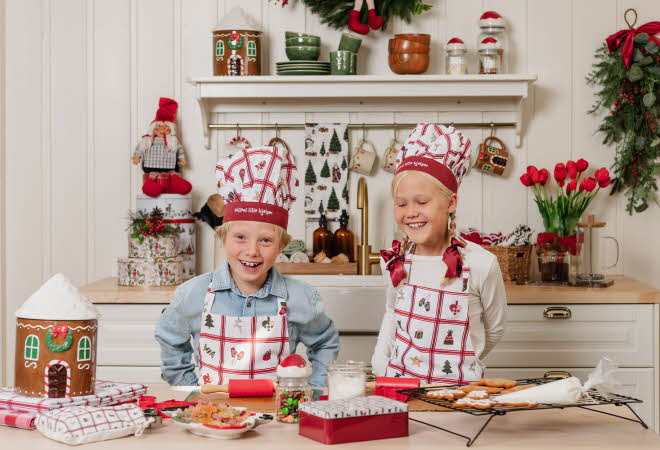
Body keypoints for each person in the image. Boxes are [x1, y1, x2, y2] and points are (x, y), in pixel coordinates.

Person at [156, 145, 340, 387]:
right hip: (213, 417)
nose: (252, 251)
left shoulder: (299, 297)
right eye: (240, 237)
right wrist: (189, 387)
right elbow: (170, 338)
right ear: (223, 237)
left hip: (277, 416)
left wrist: (315, 390)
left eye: (265, 240)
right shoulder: (194, 293)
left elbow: (325, 342)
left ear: (282, 246)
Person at [372, 123, 506, 384]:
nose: (410, 212)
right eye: (401, 204)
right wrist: (380, 364)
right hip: (402, 389)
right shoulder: (393, 262)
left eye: (422, 202)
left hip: (461, 394)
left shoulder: (481, 264)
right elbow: (392, 312)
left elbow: (495, 330)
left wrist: (464, 364)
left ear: (451, 203)